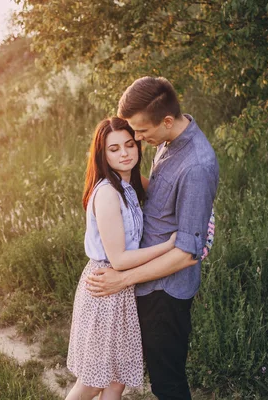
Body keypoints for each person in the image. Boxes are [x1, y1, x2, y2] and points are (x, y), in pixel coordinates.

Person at [86, 77, 220, 399]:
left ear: (167, 121)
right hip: (145, 279)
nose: (137, 137)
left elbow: (188, 253)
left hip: (165, 291)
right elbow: (159, 191)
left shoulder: (197, 166)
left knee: (167, 383)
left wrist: (123, 279)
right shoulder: (167, 139)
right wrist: (115, 176)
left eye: (141, 132)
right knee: (117, 372)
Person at [65, 117, 178, 400]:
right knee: (92, 382)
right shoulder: (106, 192)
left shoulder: (129, 182)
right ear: (102, 154)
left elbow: (164, 196)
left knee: (116, 382)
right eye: (113, 149)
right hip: (105, 288)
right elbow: (118, 259)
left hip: (123, 291)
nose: (124, 153)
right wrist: (169, 246)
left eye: (129, 145)